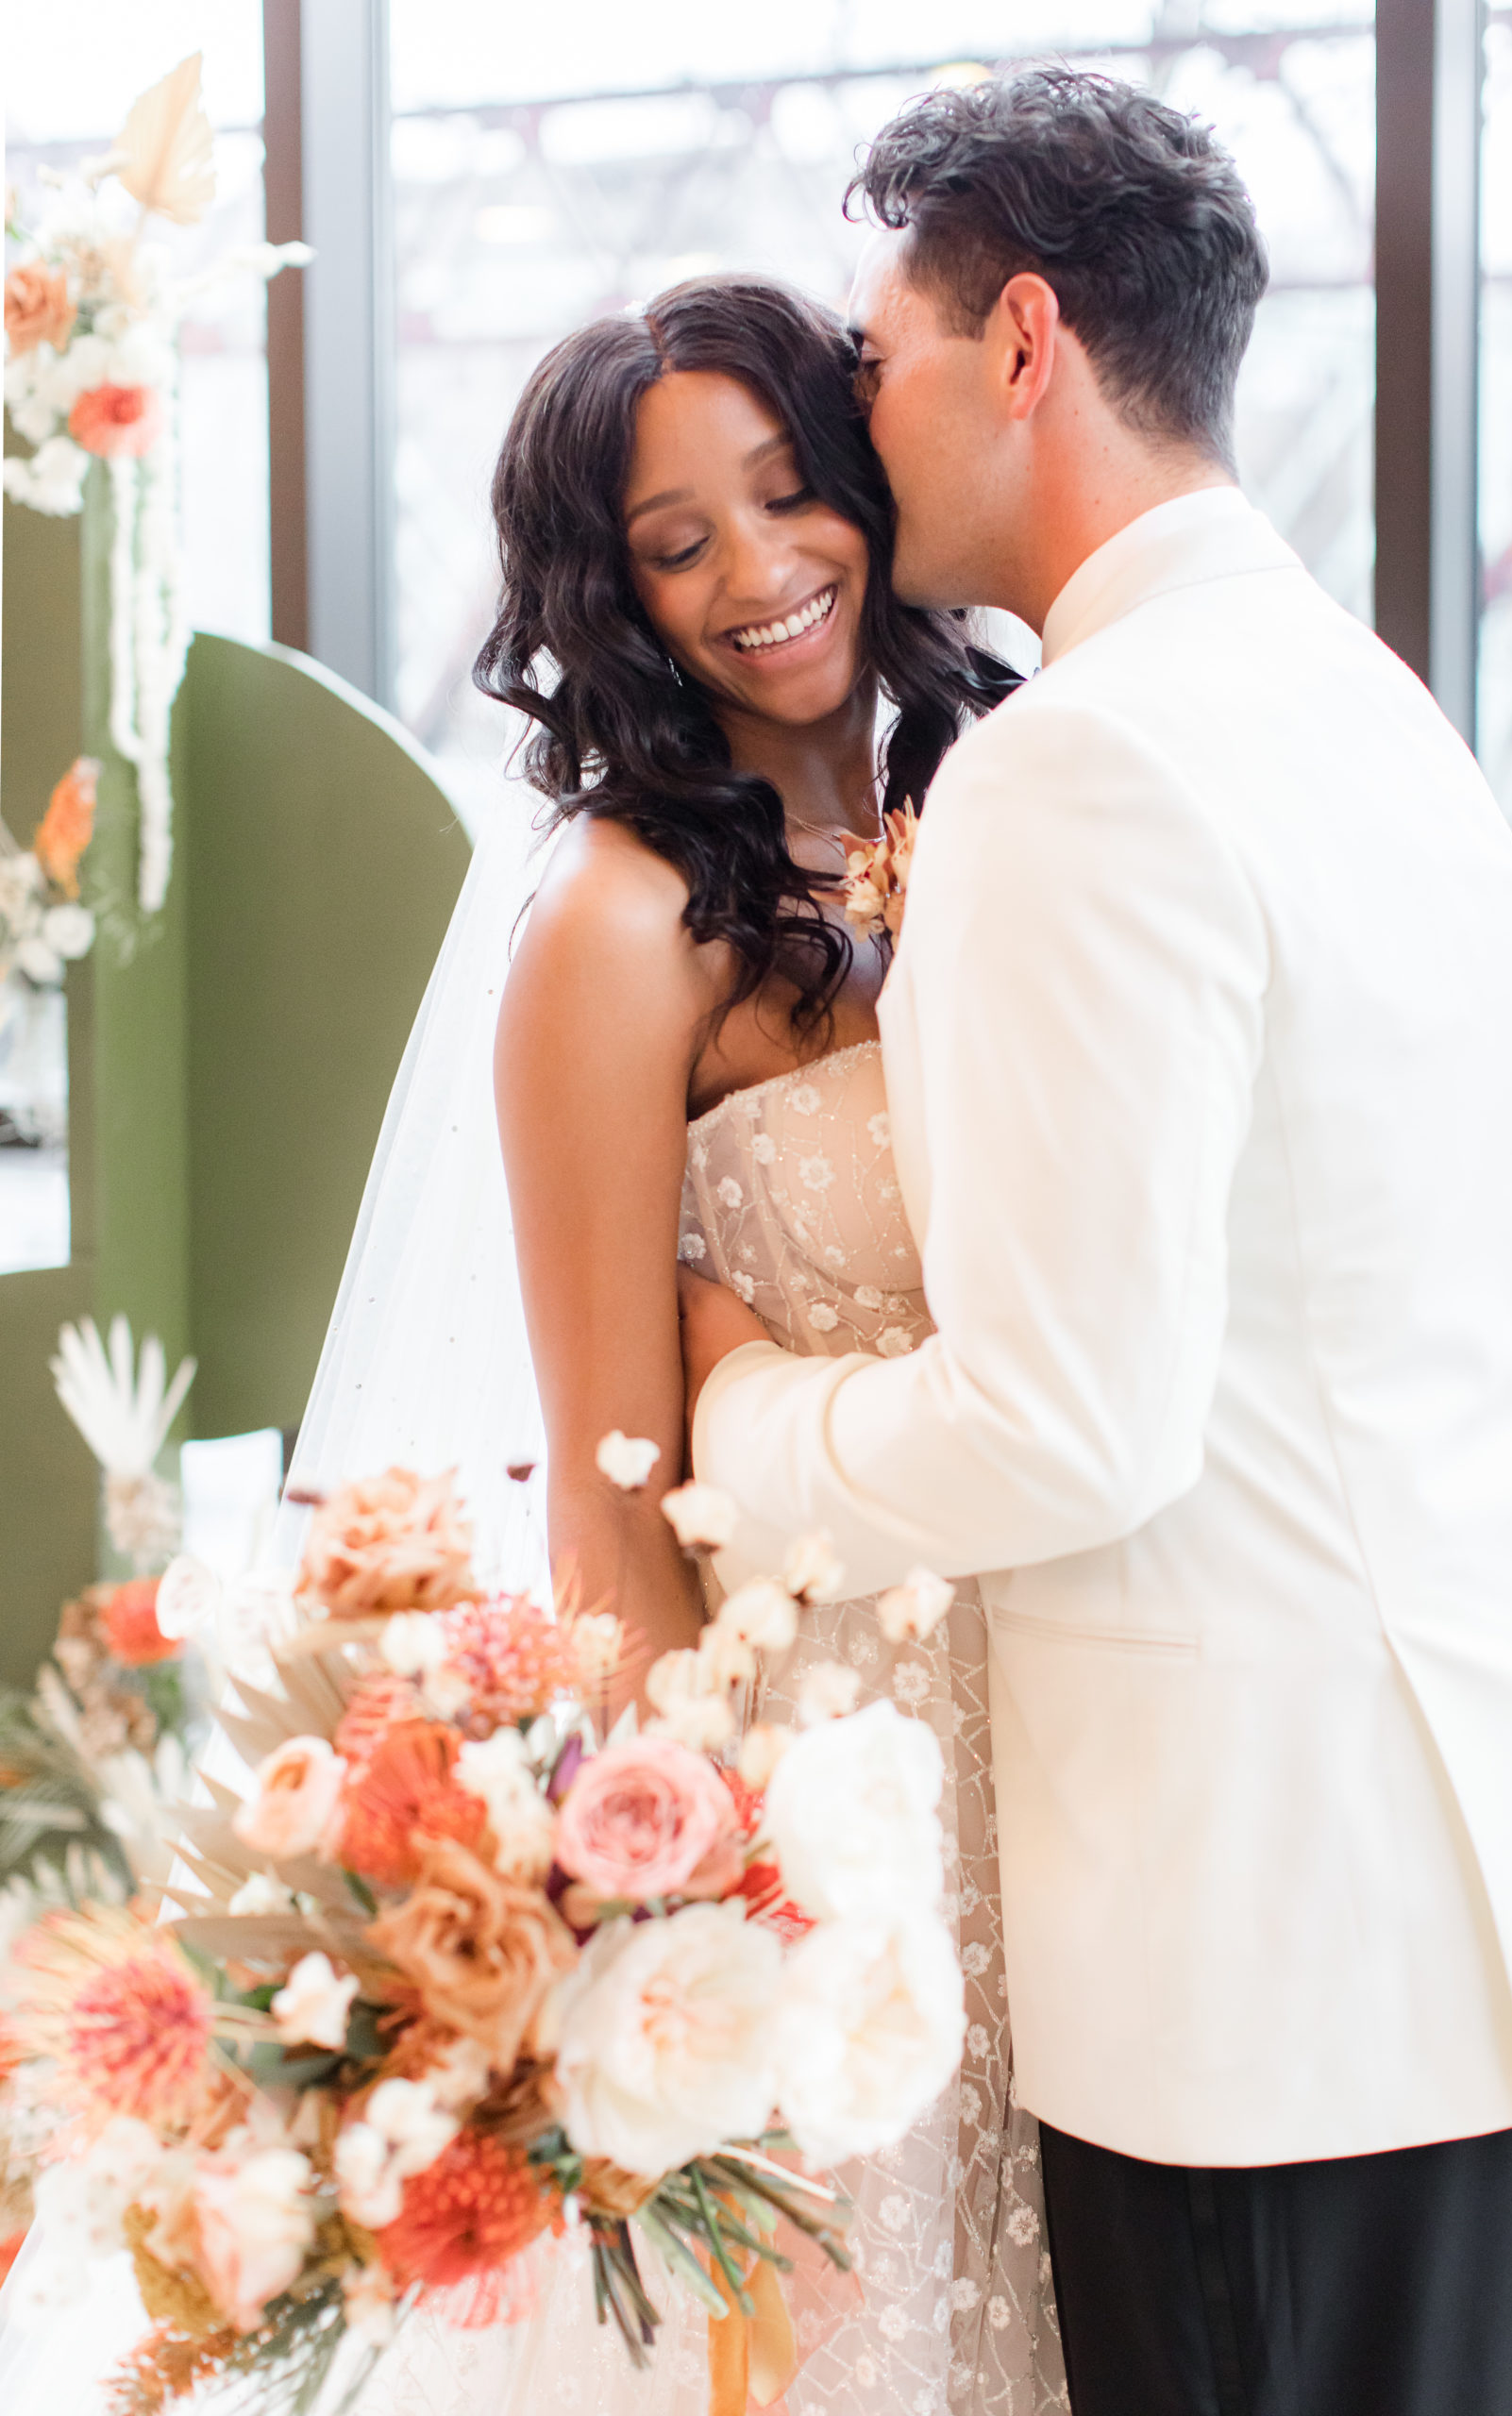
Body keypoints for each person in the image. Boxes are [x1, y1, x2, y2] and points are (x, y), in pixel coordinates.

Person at [679, 66, 1512, 2416]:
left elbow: (1062, 1422)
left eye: (875, 365)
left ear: (1017, 341)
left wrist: (737, 1406)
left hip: (1258, 1996)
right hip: (1493, 1921)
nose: (856, 434)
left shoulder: (1081, 758)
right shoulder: (1370, 701)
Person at [481, 277, 1067, 2415]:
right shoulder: (615, 929)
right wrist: (668, 1907)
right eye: (672, 541)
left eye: (783, 490)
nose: (758, 568)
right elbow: (602, 1499)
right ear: (613, 598)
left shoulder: (1009, 812)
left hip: (1069, 1720)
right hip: (810, 1791)